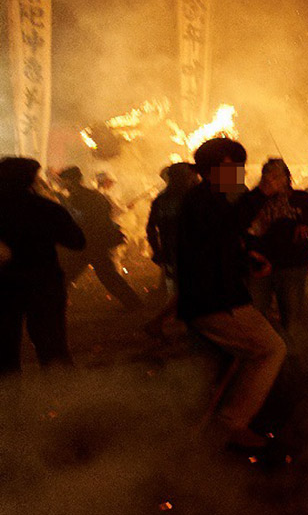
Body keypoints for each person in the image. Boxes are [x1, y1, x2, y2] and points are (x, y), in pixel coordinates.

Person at [177, 137, 286, 449]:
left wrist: (246, 260)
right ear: (215, 168)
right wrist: (261, 194)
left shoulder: (212, 199)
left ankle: (200, 435)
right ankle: (230, 425)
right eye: (234, 166)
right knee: (270, 348)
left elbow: (218, 243)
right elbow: (224, 229)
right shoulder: (200, 200)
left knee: (222, 368)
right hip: (213, 300)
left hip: (213, 296)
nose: (240, 172)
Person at [0, 157, 87, 374]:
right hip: (43, 283)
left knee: (4, 350)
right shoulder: (46, 208)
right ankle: (64, 399)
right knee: (52, 346)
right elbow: (77, 242)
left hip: (4, 286)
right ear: (31, 180)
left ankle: (11, 402)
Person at [239, 159, 308, 334]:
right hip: (260, 265)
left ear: (286, 177)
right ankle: (264, 353)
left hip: (293, 264)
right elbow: (240, 221)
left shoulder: (300, 198)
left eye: (277, 175)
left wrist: (304, 223)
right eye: (268, 175)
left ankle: (292, 355)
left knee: (291, 317)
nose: (273, 180)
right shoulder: (254, 199)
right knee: (256, 315)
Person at [56, 165, 143, 310]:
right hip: (92, 242)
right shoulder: (91, 195)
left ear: (70, 181)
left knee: (103, 276)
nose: (61, 184)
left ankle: (134, 303)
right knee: (103, 275)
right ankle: (134, 303)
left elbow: (85, 220)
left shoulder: (81, 198)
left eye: (63, 181)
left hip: (91, 243)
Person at [143, 162, 200, 336]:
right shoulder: (169, 200)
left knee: (182, 290)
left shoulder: (165, 199)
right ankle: (171, 324)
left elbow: (151, 228)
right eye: (187, 176)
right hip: (179, 253)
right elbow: (151, 227)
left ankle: (172, 323)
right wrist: (157, 251)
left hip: (186, 252)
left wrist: (157, 251)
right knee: (181, 290)